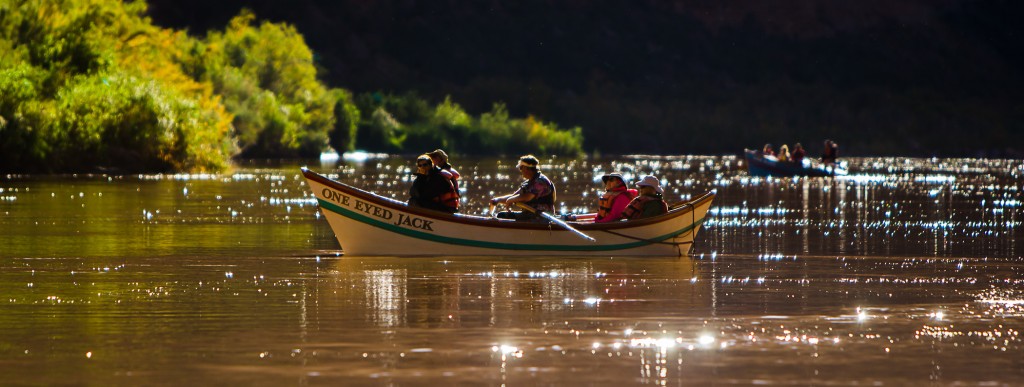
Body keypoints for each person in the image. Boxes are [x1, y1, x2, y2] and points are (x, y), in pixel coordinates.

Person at [489, 155, 556, 221]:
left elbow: (527, 197)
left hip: (542, 217)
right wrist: (498, 200)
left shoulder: (540, 181)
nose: (520, 171)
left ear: (527, 168)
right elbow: (515, 196)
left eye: (521, 168)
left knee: (502, 216)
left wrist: (510, 200)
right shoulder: (529, 182)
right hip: (529, 214)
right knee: (502, 215)